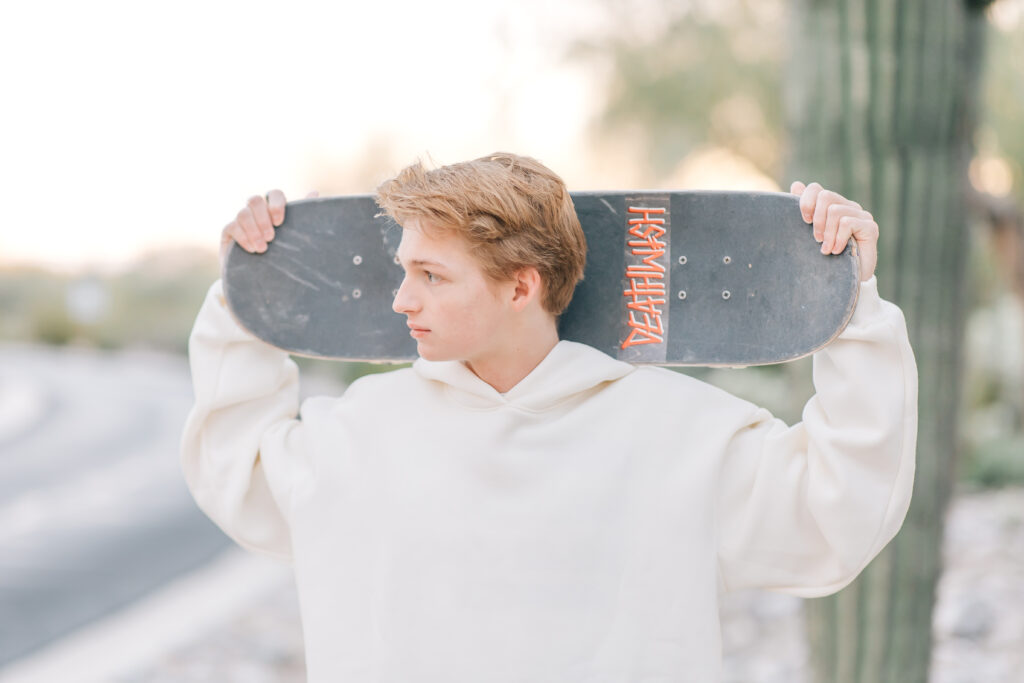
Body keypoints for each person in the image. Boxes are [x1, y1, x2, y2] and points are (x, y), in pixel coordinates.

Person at [181, 152, 917, 682]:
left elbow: (838, 504)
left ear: (520, 287)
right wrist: (248, 291)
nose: (401, 300)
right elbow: (235, 465)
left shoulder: (678, 436)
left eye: (432, 276)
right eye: (403, 271)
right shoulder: (359, 434)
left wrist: (851, 305)